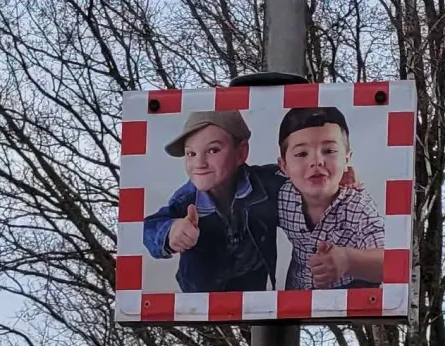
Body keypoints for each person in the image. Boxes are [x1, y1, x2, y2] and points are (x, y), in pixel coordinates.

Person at [141, 110, 291, 293]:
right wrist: (170, 231)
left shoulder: (267, 183)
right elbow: (149, 227)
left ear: (241, 153)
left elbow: (303, 179)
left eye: (213, 150)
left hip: (254, 291)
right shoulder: (186, 200)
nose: (199, 163)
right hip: (201, 299)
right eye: (191, 154)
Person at [274, 106, 386, 289]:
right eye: (302, 153)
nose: (316, 161)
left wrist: (349, 261)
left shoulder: (358, 207)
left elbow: (392, 261)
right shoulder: (280, 193)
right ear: (283, 166)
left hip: (345, 305)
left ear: (347, 159)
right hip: (294, 303)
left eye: (329, 151)